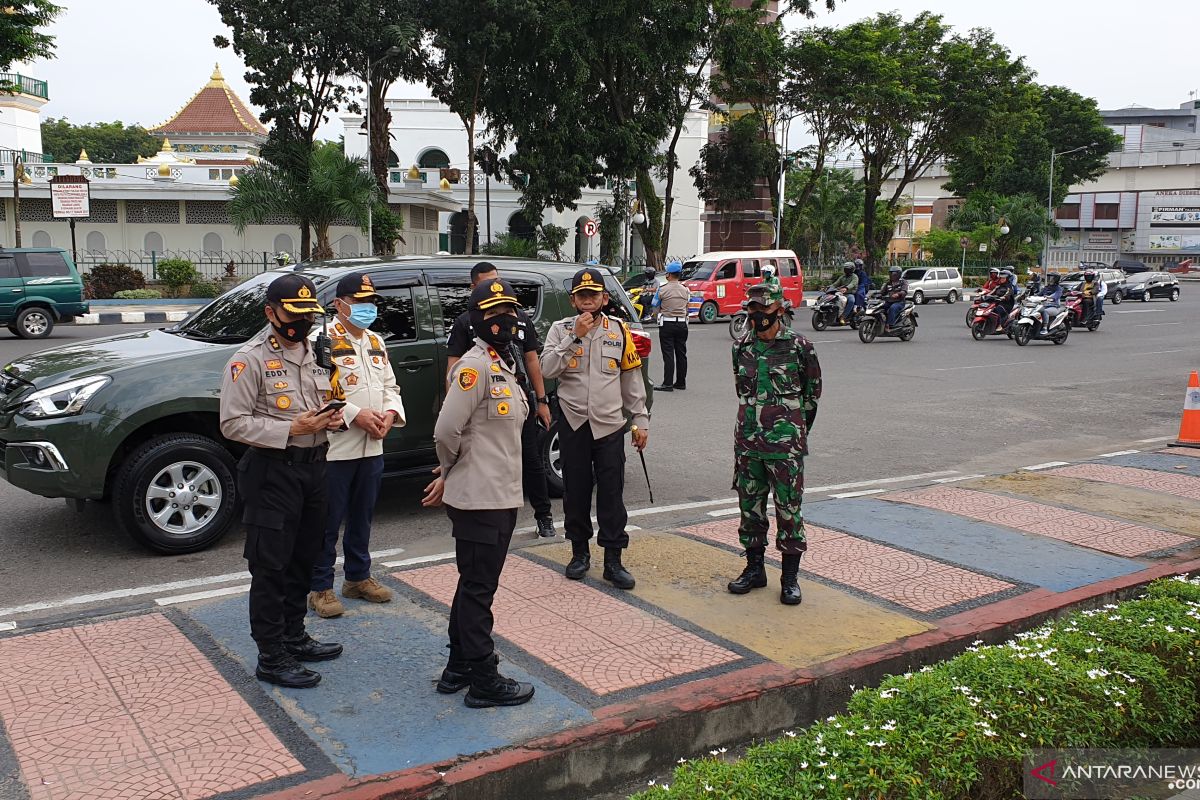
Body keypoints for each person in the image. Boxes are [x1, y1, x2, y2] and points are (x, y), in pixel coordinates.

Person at [219, 273, 344, 689]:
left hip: (315, 467)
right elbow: (232, 423)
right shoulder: (249, 359)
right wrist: (289, 430)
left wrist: (332, 417)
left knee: (303, 559)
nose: (302, 323)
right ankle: (271, 656)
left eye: (308, 315)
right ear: (270, 312)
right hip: (273, 472)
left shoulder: (313, 352)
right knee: (270, 567)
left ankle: (294, 636)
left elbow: (317, 403)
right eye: (294, 314)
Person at [422, 279, 535, 709]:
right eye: (492, 314)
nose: (503, 320)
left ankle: (458, 667)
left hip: (499, 495)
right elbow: (445, 430)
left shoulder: (504, 363)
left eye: (508, 312)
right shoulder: (474, 367)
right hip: (480, 499)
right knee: (478, 590)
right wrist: (452, 470)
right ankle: (484, 680)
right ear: (474, 321)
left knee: (473, 585)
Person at [541, 268, 650, 589]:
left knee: (612, 494)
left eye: (594, 295)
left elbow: (632, 380)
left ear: (605, 298)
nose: (588, 301)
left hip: (610, 425)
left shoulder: (619, 331)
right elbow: (548, 368)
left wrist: (640, 420)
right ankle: (579, 554)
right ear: (572, 299)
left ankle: (614, 561)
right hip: (573, 424)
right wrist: (575, 336)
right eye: (582, 295)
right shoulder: (560, 330)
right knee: (575, 493)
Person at [307, 272, 406, 619]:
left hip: (372, 445)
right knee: (327, 521)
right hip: (336, 447)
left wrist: (390, 415)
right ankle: (320, 587)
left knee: (363, 516)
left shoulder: (375, 341)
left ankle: (357, 578)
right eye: (359, 302)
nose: (367, 308)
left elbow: (390, 386)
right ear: (339, 304)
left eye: (371, 302)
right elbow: (317, 390)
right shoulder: (321, 339)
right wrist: (355, 414)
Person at [727, 280, 821, 605]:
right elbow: (742, 390)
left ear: (779, 309)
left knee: (788, 511)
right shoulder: (742, 347)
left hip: (785, 447)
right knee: (749, 508)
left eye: (763, 309)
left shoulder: (799, 347)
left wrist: (793, 431)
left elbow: (812, 396)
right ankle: (754, 570)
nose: (757, 315)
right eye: (752, 309)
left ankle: (790, 579)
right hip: (748, 444)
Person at [446, 262, 556, 539]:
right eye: (486, 283)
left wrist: (541, 401)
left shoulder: (520, 319)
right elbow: (453, 368)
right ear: (474, 289)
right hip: (486, 406)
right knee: (490, 461)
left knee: (532, 460)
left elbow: (532, 358)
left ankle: (544, 516)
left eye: (498, 281)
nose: (496, 288)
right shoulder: (465, 323)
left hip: (520, 400)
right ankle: (492, 519)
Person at [655, 261, 691, 392]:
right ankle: (681, 382)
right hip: (682, 324)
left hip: (667, 324)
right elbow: (688, 306)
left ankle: (668, 383)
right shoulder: (686, 290)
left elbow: (655, 306)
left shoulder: (662, 289)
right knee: (681, 353)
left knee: (668, 354)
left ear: (668, 274)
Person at [880, 266, 908, 331]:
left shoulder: (903, 282)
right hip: (889, 301)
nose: (892, 275)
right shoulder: (888, 282)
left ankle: (889, 325)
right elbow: (883, 292)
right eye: (890, 273)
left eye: (893, 273)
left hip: (899, 302)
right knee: (879, 307)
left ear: (898, 274)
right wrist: (875, 294)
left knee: (893, 308)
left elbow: (904, 291)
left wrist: (898, 294)